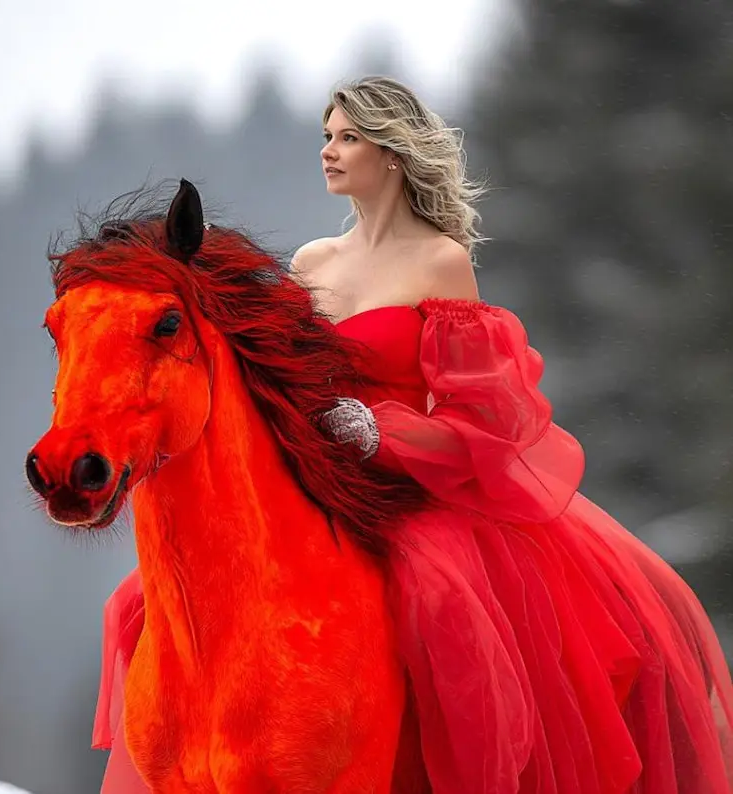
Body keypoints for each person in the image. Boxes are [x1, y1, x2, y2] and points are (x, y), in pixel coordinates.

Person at [292, 75, 733, 793]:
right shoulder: (310, 263)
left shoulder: (440, 262)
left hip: (409, 488)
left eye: (347, 138)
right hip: (315, 479)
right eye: (325, 136)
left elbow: (481, 418)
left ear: (394, 155)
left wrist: (382, 431)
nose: (329, 152)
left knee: (440, 602)